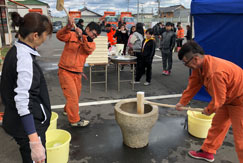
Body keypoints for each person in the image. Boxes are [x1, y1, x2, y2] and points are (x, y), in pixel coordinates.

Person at [176, 41, 243, 162]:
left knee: (241, 139)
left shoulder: (215, 73)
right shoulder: (201, 66)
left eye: (186, 63)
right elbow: (193, 84)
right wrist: (183, 102)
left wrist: (208, 110)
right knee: (217, 126)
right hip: (229, 98)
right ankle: (207, 152)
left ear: (195, 59)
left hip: (240, 101)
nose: (187, 66)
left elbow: (218, 100)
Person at [0, 12, 52, 163]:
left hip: (19, 124)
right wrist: (35, 142)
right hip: (29, 128)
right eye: (45, 36)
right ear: (35, 35)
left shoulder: (15, 51)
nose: (45, 40)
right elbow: (23, 102)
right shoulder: (24, 60)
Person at [56, 18, 101, 127]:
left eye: (96, 36)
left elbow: (88, 49)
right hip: (65, 71)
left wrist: (82, 37)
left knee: (75, 95)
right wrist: (68, 27)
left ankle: (68, 110)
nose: (93, 37)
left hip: (77, 73)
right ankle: (75, 120)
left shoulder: (91, 43)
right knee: (73, 97)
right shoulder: (72, 34)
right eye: (93, 34)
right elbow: (59, 36)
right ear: (87, 28)